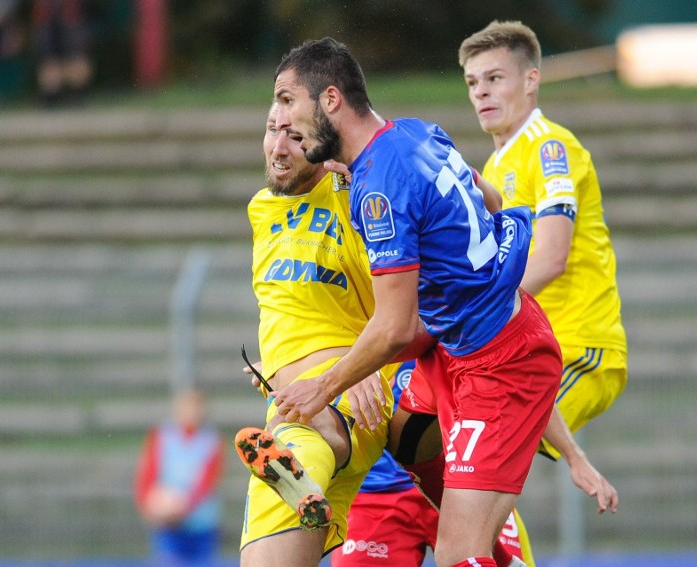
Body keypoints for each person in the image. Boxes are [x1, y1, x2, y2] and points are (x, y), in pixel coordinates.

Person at [269, 37, 563, 567]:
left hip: (499, 364)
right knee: (403, 439)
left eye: (288, 100)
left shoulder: (379, 189)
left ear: (330, 99)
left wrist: (321, 386)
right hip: (457, 347)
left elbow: (395, 329)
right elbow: (491, 199)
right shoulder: (412, 133)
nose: (284, 120)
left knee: (456, 555)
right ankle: (501, 553)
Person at [235, 102, 402, 567]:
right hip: (287, 397)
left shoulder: (357, 195)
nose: (279, 147)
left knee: (303, 433)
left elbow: (401, 297)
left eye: (295, 135)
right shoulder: (262, 210)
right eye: (272, 130)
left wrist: (357, 364)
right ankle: (300, 477)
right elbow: (288, 313)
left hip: (352, 389)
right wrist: (277, 366)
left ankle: (305, 453)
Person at [459, 20, 628, 468]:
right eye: (473, 82)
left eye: (495, 79)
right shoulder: (494, 167)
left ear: (531, 80)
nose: (481, 92)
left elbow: (552, 256)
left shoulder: (550, 147)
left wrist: (477, 316)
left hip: (578, 348)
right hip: (529, 349)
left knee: (485, 456)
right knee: (460, 454)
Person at [332, 360, 537, 567]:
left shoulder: (470, 334)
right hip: (376, 492)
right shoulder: (352, 338)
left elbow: (532, 384)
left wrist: (570, 454)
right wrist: (355, 363)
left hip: (464, 484)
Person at [133, 388, 224, 566]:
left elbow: (207, 483)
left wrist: (182, 507)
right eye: (186, 406)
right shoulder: (161, 436)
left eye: (196, 407)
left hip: (202, 524)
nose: (191, 412)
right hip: (168, 526)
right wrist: (148, 505)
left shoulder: (212, 441)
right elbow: (147, 474)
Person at [30, 0, 93, 106]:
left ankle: (75, 94)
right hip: (50, 50)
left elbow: (80, 43)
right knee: (49, 66)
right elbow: (43, 45)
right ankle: (50, 95)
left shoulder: (73, 8)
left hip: (71, 45)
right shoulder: (45, 8)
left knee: (78, 62)